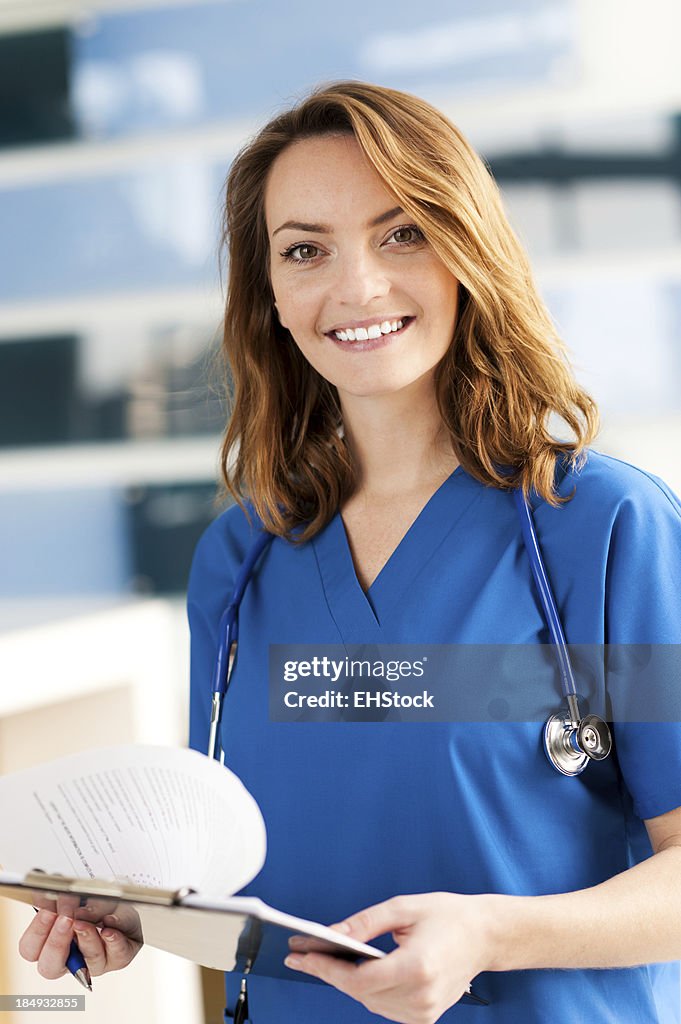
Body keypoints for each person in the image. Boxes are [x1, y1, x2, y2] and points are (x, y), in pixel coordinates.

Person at [18, 81, 681, 1023]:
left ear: (467, 251)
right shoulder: (242, 555)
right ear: (273, 297)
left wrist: (495, 935)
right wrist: (132, 913)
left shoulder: (603, 528)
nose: (357, 286)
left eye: (401, 231)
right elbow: (253, 866)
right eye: (304, 250)